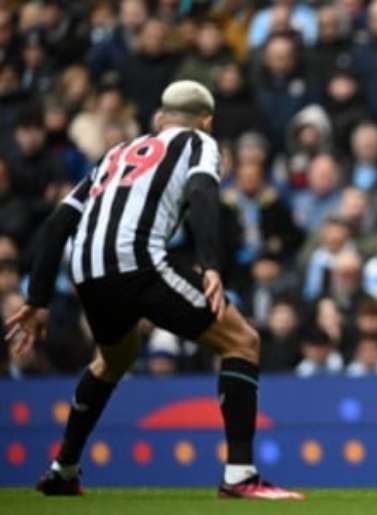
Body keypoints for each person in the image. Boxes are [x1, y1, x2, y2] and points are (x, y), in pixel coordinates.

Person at [3, 80, 303, 500]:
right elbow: (202, 193)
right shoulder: (200, 143)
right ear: (208, 121)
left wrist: (38, 299)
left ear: (160, 117)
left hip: (86, 267)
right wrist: (210, 264)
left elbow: (58, 223)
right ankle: (240, 475)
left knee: (115, 358)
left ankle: (63, 468)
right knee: (242, 340)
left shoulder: (115, 154)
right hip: (136, 259)